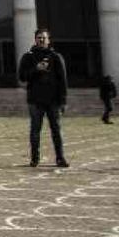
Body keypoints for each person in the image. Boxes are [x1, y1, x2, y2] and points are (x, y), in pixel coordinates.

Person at [17, 27, 69, 168]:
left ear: (48, 40)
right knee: (35, 130)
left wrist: (63, 100)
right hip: (35, 100)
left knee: (56, 130)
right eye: (39, 37)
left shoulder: (56, 57)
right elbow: (22, 77)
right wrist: (36, 69)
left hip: (53, 100)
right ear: (35, 39)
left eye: (44, 37)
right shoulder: (28, 57)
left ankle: (60, 158)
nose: (41, 40)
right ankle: (35, 158)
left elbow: (63, 80)